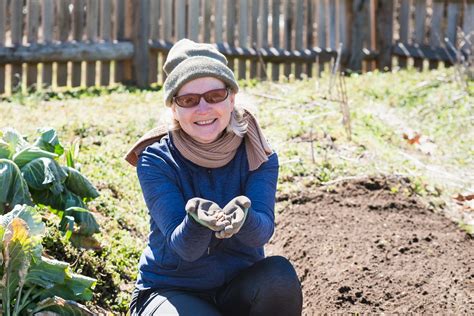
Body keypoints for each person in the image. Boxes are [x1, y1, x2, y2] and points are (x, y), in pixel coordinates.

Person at [125, 38, 303, 316]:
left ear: (232, 98)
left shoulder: (257, 154)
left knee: (279, 277)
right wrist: (196, 221)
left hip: (237, 289)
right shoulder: (155, 160)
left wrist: (244, 217)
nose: (203, 108)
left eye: (215, 96)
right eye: (188, 100)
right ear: (174, 108)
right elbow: (184, 248)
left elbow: (261, 233)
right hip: (172, 291)